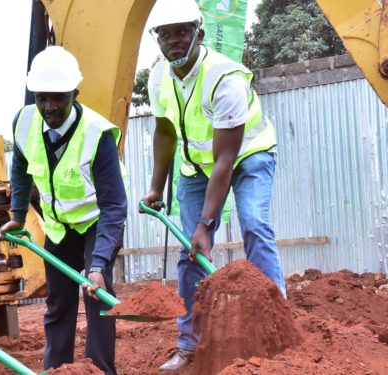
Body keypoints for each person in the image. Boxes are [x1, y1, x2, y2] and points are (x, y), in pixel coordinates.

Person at [141, 0, 287, 371]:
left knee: (254, 224)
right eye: (165, 34)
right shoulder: (158, 76)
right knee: (189, 253)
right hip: (197, 166)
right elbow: (164, 133)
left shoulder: (225, 78)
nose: (174, 40)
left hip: (248, 154)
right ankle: (190, 344)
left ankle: (280, 332)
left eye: (181, 32)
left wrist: (207, 225)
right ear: (157, 40)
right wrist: (156, 188)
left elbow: (226, 159)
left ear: (199, 34)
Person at [0, 46, 127, 375]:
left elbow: (114, 206)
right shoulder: (25, 121)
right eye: (42, 98)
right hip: (58, 226)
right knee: (58, 301)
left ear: (75, 93)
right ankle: (57, 369)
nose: (50, 107)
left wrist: (97, 264)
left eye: (59, 98)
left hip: (96, 222)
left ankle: (100, 370)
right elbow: (21, 168)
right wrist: (16, 215)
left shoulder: (97, 135)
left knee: (97, 293)